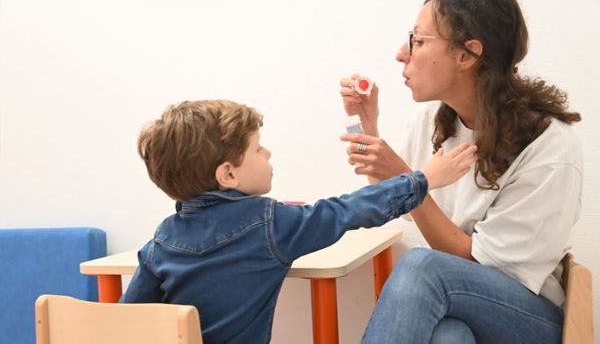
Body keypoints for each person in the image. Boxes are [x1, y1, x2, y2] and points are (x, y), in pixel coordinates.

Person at [338, 0, 582, 344]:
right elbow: (391, 203)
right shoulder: (437, 121)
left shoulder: (549, 148)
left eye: (418, 41)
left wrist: (412, 183)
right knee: (449, 338)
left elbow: (477, 268)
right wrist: (366, 126)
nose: (401, 54)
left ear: (467, 55)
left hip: (528, 315)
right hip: (460, 304)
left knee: (423, 268)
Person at [121, 99, 476, 343]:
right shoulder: (269, 224)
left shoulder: (161, 242)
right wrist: (423, 179)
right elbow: (346, 210)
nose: (268, 153)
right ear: (228, 174)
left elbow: (125, 322)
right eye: (258, 148)